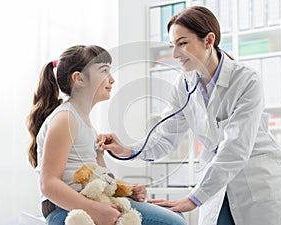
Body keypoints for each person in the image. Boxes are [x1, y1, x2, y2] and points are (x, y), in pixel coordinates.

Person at [98, 6, 281, 225]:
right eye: (172, 46)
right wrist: (127, 150)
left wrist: (193, 199)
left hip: (257, 185)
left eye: (182, 44)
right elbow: (165, 137)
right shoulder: (183, 84)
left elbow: (236, 148)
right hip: (216, 188)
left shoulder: (246, 80)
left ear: (208, 40)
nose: (175, 55)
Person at [27, 45, 187, 225]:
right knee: (175, 223)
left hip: (89, 201)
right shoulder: (65, 118)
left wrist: (127, 190)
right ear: (79, 79)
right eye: (104, 71)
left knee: (177, 217)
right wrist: (92, 209)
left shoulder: (83, 121)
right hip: (65, 210)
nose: (111, 80)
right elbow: (48, 184)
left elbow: (99, 177)